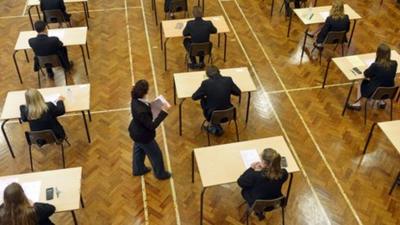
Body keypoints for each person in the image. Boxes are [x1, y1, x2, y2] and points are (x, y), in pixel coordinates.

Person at [128, 80, 171, 180]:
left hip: (135, 131)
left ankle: (138, 169)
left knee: (138, 150)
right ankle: (160, 174)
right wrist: (163, 112)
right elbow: (151, 125)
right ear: (145, 92)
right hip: (143, 135)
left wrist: (154, 105)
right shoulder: (141, 111)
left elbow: (145, 109)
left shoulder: (135, 99)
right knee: (156, 155)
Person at [237, 148, 288, 220]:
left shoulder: (255, 175)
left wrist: (251, 169)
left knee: (247, 188)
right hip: (274, 203)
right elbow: (276, 175)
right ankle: (259, 212)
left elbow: (240, 182)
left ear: (264, 163)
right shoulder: (284, 173)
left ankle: (258, 211)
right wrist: (266, 169)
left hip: (256, 203)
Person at [192, 66, 241, 135]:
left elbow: (194, 97)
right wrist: (228, 90)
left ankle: (214, 125)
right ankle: (216, 126)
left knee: (203, 101)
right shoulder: (228, 80)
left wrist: (205, 94)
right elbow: (238, 92)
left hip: (212, 115)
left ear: (208, 75)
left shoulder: (206, 83)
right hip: (229, 114)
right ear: (219, 72)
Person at [347, 43, 398, 111]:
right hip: (389, 92)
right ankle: (381, 102)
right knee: (386, 80)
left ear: (378, 53)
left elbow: (366, 74)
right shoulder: (394, 63)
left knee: (360, 81)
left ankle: (357, 104)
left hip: (374, 93)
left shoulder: (375, 65)